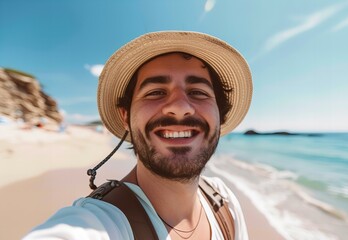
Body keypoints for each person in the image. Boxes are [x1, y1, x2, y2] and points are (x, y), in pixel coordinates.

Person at [23, 31, 253, 240]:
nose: (181, 107)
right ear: (126, 117)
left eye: (198, 92)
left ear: (220, 116)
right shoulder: (99, 224)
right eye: (155, 92)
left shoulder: (223, 201)